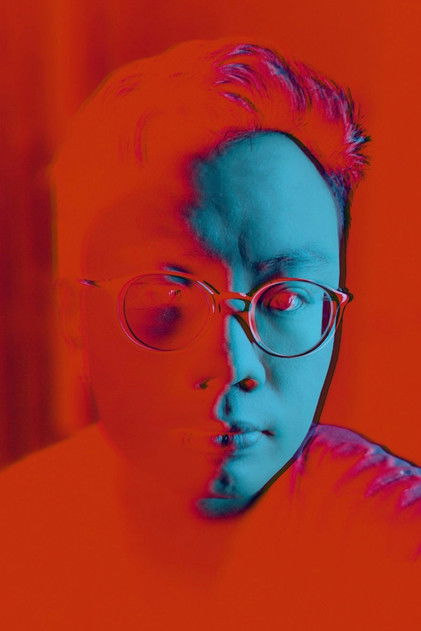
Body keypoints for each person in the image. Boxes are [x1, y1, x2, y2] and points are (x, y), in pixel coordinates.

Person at [1, 38, 420, 630]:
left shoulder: (390, 539)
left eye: (286, 299)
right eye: (169, 301)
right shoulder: (19, 544)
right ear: (76, 321)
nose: (233, 364)